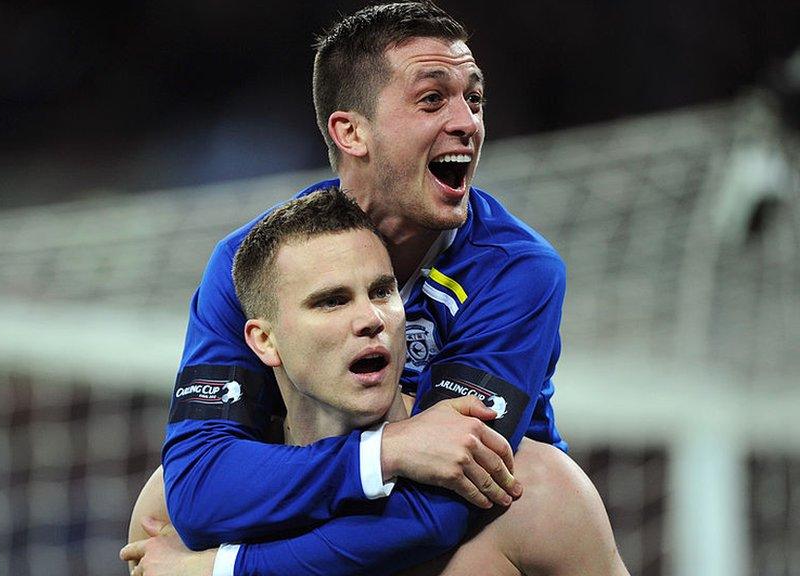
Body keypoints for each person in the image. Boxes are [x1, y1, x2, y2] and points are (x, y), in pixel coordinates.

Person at [159, 2, 571, 573]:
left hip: (471, 540)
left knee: (534, 490)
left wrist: (228, 570)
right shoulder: (249, 262)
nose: (468, 123)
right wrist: (388, 451)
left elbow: (441, 506)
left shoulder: (515, 270)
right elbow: (198, 489)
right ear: (351, 131)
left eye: (473, 99)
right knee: (154, 506)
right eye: (433, 99)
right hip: (341, 503)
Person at [122, 189, 628, 576]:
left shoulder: (534, 494)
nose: (371, 319)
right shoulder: (170, 518)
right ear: (264, 341)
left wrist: (224, 568)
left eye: (383, 291)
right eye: (332, 301)